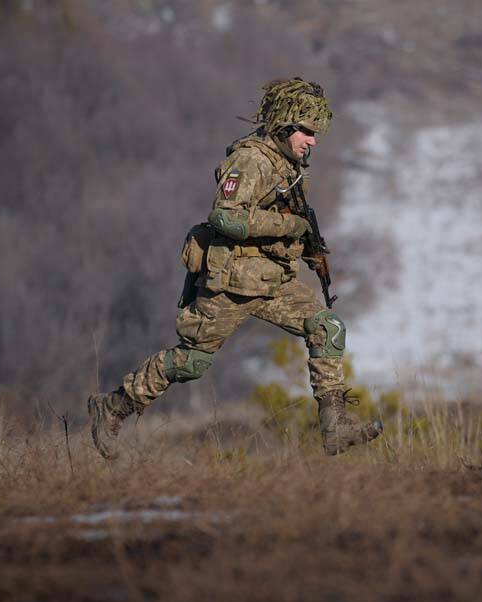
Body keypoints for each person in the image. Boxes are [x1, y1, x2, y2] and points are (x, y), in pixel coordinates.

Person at [88, 78, 382, 459]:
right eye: (306, 131)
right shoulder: (251, 160)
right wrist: (288, 227)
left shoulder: (287, 163)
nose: (313, 141)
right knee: (192, 361)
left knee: (327, 328)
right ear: (284, 124)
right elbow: (225, 218)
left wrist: (305, 245)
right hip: (232, 283)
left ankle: (335, 426)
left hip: (271, 280)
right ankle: (112, 407)